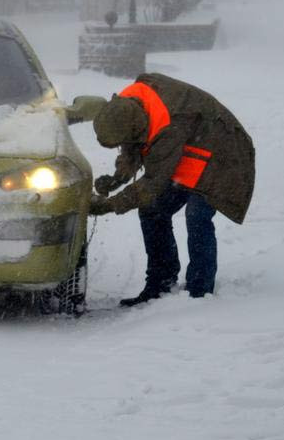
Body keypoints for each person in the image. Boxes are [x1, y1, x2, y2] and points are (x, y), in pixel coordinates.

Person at [88, 72, 255, 306]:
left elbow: (153, 182)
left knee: (197, 215)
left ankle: (199, 292)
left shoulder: (168, 123)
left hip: (223, 155)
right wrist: (118, 178)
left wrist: (110, 205)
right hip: (188, 151)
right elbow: (133, 143)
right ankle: (160, 283)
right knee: (151, 210)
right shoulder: (128, 104)